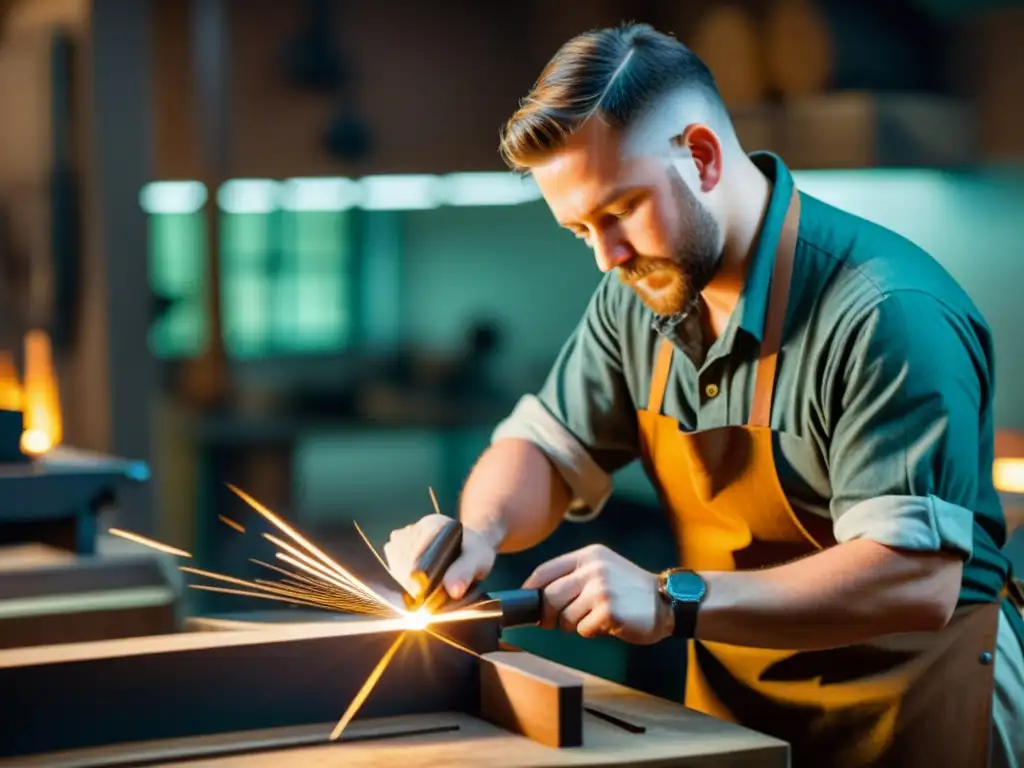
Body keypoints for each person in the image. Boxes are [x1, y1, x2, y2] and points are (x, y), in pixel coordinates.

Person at [383, 23, 1024, 767]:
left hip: (923, 712)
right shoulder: (640, 296)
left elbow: (915, 580)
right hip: (740, 721)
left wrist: (668, 600)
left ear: (703, 156)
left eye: (619, 210)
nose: (606, 255)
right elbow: (546, 448)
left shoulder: (888, 311)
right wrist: (478, 534)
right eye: (580, 228)